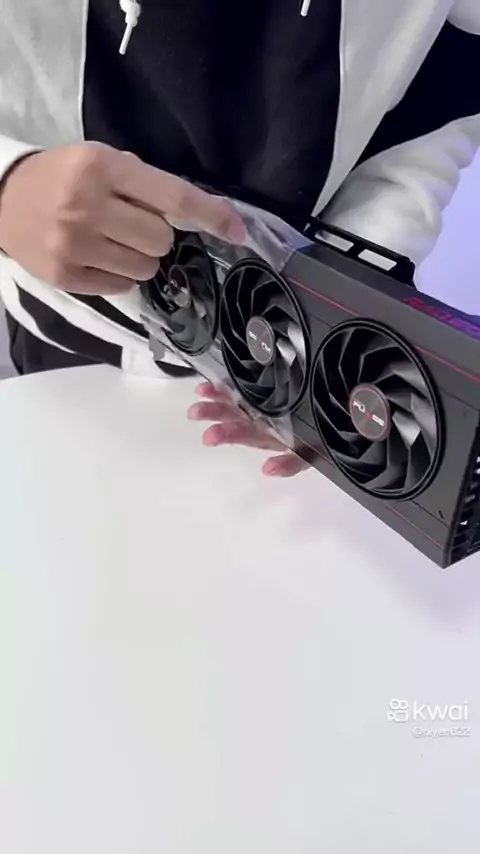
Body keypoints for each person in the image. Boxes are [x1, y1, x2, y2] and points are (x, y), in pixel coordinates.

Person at [0, 1, 479, 478]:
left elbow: (446, 86)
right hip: (69, 331)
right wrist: (8, 183)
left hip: (289, 357)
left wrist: (338, 313)